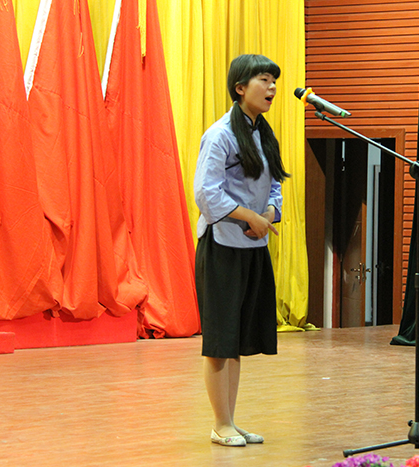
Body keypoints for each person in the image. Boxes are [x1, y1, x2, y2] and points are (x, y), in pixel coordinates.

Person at [193, 54, 289, 447]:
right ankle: (220, 424)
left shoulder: (263, 133)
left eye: (273, 81)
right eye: (264, 80)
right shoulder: (220, 135)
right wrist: (249, 215)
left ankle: (229, 420)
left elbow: (275, 185)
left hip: (253, 245)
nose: (272, 88)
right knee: (220, 341)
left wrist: (268, 213)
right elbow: (205, 193)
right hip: (222, 248)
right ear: (240, 87)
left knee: (235, 340)